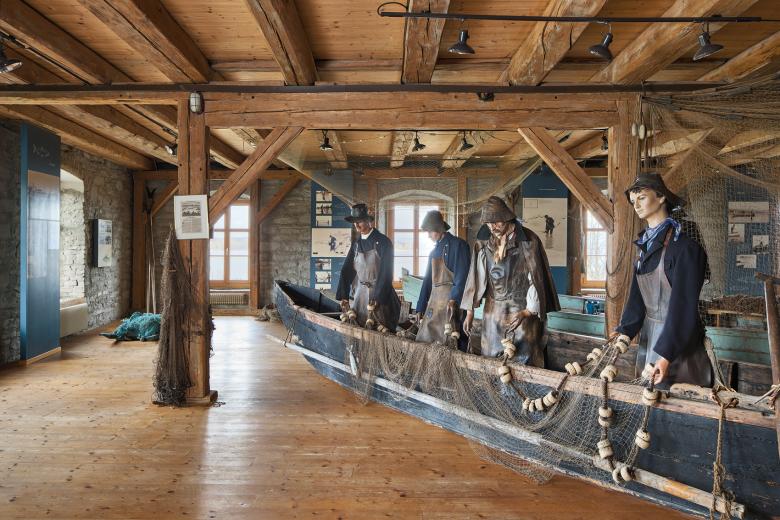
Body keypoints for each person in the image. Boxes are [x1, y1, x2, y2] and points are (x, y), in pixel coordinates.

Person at [614, 172, 712, 389]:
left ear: (661, 197)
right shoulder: (645, 246)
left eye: (642, 197)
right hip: (650, 339)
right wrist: (625, 332)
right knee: (649, 398)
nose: (636, 205)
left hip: (679, 345)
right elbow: (637, 297)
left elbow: (683, 306)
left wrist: (666, 355)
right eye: (633, 200)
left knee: (674, 400)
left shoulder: (685, 248)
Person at [461, 196, 560, 365]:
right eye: (489, 224)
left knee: (525, 361)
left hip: (521, 312)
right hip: (493, 314)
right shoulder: (484, 241)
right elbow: (476, 277)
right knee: (492, 360)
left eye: (497, 222)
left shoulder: (528, 240)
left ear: (507, 217)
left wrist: (527, 312)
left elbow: (536, 279)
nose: (493, 227)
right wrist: (469, 311)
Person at [336, 203, 400, 331]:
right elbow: (346, 270)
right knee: (358, 326)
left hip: (380, 295)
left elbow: (386, 273)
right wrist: (343, 295)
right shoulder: (356, 244)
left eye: (359, 221)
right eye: (354, 222)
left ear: (368, 221)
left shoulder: (384, 242)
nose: (356, 225)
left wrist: (377, 297)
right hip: (360, 295)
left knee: (381, 329)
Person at [415, 210, 471, 349]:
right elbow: (427, 281)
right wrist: (420, 306)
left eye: (430, 231)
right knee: (426, 341)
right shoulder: (433, 253)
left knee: (454, 343)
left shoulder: (459, 246)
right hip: (435, 305)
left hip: (453, 306)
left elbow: (462, 277)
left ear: (439, 229)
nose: (428, 235)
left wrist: (453, 300)